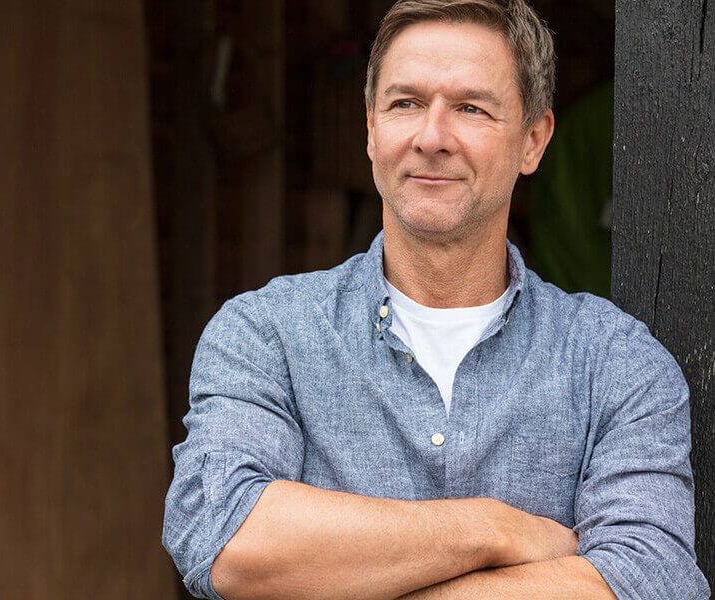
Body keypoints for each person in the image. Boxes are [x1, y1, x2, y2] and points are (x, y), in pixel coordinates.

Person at [162, 1, 711, 598]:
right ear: (371, 129)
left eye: (471, 108)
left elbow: (653, 578)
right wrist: (492, 530)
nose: (432, 138)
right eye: (406, 104)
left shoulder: (616, 361)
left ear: (533, 141)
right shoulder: (266, 334)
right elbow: (224, 536)